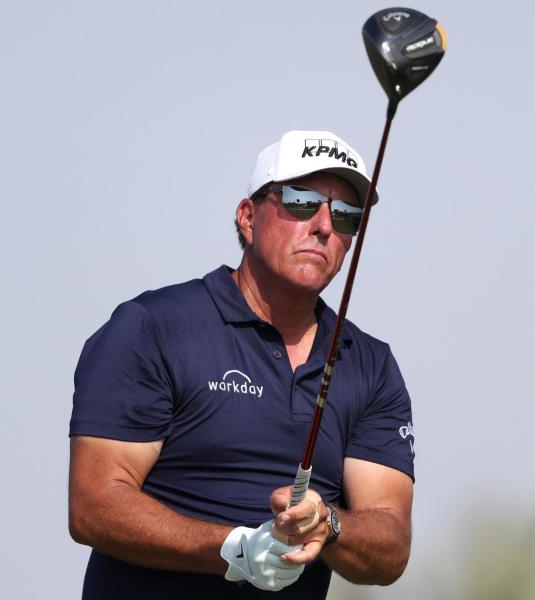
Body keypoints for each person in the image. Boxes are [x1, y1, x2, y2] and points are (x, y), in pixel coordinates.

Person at [68, 130, 416, 599]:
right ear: (248, 217)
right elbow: (93, 506)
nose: (324, 225)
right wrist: (233, 549)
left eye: (346, 215)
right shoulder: (153, 327)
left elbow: (389, 548)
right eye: (300, 201)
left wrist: (327, 523)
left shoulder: (371, 364)